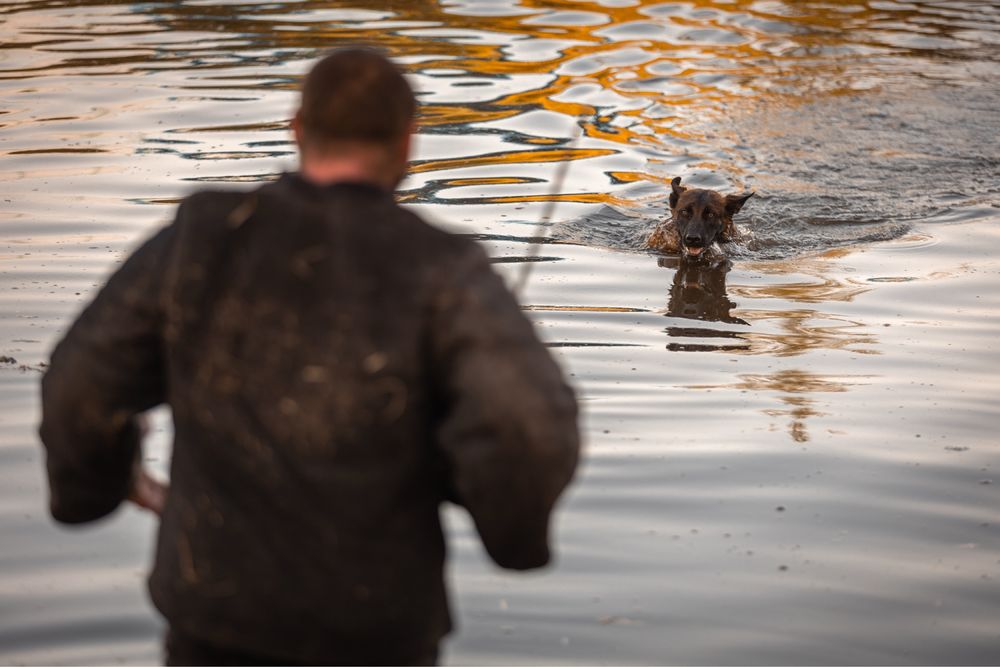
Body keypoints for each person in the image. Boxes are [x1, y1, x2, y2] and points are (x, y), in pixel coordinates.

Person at [38, 47, 580, 666]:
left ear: (297, 129)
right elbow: (526, 426)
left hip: (214, 615)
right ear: (408, 143)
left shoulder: (202, 236)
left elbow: (78, 385)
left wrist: (102, 485)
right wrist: (508, 533)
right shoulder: (443, 268)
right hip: (379, 629)